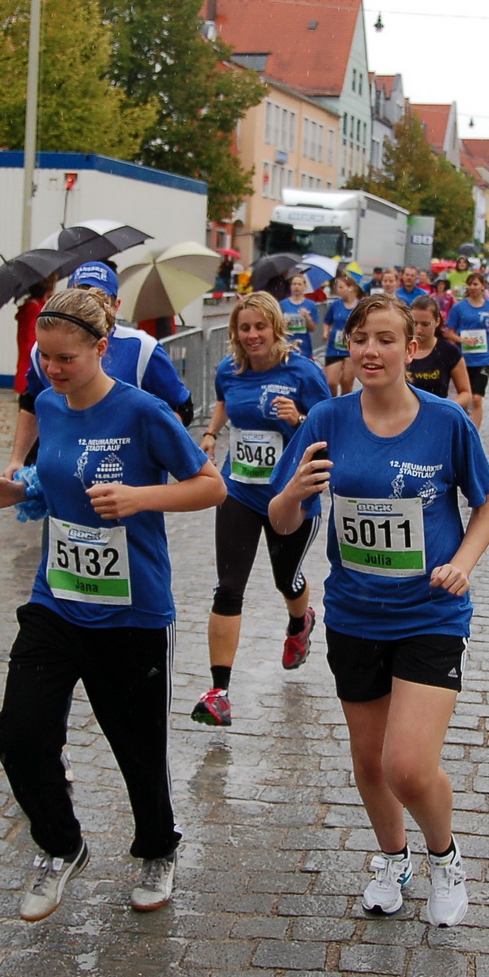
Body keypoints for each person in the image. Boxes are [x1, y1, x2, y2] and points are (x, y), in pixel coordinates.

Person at [0, 288, 225, 922]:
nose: (52, 371)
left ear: (101, 349)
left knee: (136, 747)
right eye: (43, 358)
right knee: (20, 734)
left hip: (132, 611)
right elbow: (54, 484)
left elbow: (210, 486)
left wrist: (141, 498)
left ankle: (158, 848)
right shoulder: (51, 409)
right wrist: (15, 491)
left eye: (65, 358)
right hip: (56, 598)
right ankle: (60, 847)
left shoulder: (142, 412)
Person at [269, 295, 489, 928]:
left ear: (413, 348)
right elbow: (282, 518)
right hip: (353, 615)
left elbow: (488, 504)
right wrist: (290, 494)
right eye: (360, 339)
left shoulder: (447, 421)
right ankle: (391, 858)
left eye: (386, 339)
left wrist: (466, 562)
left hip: (431, 612)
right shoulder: (326, 419)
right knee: (370, 763)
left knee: (407, 763)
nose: (371, 351)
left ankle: (444, 855)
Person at [192, 292, 332, 727]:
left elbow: (328, 428)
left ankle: (300, 620)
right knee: (228, 587)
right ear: (235, 331)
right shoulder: (228, 370)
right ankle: (219, 692)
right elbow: (222, 401)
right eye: (244, 328)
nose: (252, 335)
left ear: (275, 328)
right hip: (238, 489)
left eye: (259, 327)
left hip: (291, 497)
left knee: (285, 580)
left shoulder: (303, 372)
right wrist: (213, 433)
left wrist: (298, 419)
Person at [6, 262, 193, 473]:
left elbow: (181, 407)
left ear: (116, 305)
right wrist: (17, 460)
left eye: (98, 300)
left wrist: (144, 446)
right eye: (79, 298)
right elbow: (32, 402)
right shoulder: (42, 353)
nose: (87, 308)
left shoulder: (142, 348)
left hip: (124, 476)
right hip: (67, 469)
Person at [406, 296, 474, 417]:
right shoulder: (400, 348)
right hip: (404, 417)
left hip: (436, 417)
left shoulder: (449, 352)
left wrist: (445, 407)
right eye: (414, 323)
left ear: (437, 322)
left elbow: (466, 393)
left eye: (425, 324)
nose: (419, 329)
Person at [447, 274, 489, 425]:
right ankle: (463, 429)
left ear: (483, 286)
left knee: (477, 398)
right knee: (465, 397)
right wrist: (463, 340)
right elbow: (449, 332)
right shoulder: (458, 308)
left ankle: (473, 436)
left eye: (475, 284)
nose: (472, 287)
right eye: (470, 284)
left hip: (484, 358)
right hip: (463, 359)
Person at [323, 273, 361, 396]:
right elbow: (327, 321)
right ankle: (332, 402)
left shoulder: (360, 306)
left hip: (352, 348)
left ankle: (343, 405)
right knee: (331, 382)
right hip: (334, 347)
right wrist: (325, 332)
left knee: (346, 381)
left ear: (350, 288)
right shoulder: (335, 305)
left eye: (341, 287)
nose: (338, 290)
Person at [14, 278, 55, 392]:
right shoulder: (36, 309)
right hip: (32, 373)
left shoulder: (32, 307)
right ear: (49, 288)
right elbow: (34, 343)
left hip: (25, 370)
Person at [279, 273, 320, 361]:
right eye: (294, 284)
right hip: (287, 344)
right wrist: (285, 323)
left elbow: (313, 328)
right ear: (290, 286)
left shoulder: (310, 305)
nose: (296, 287)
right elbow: (278, 327)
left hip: (304, 346)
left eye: (299, 284)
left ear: (304, 287)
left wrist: (306, 317)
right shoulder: (283, 304)